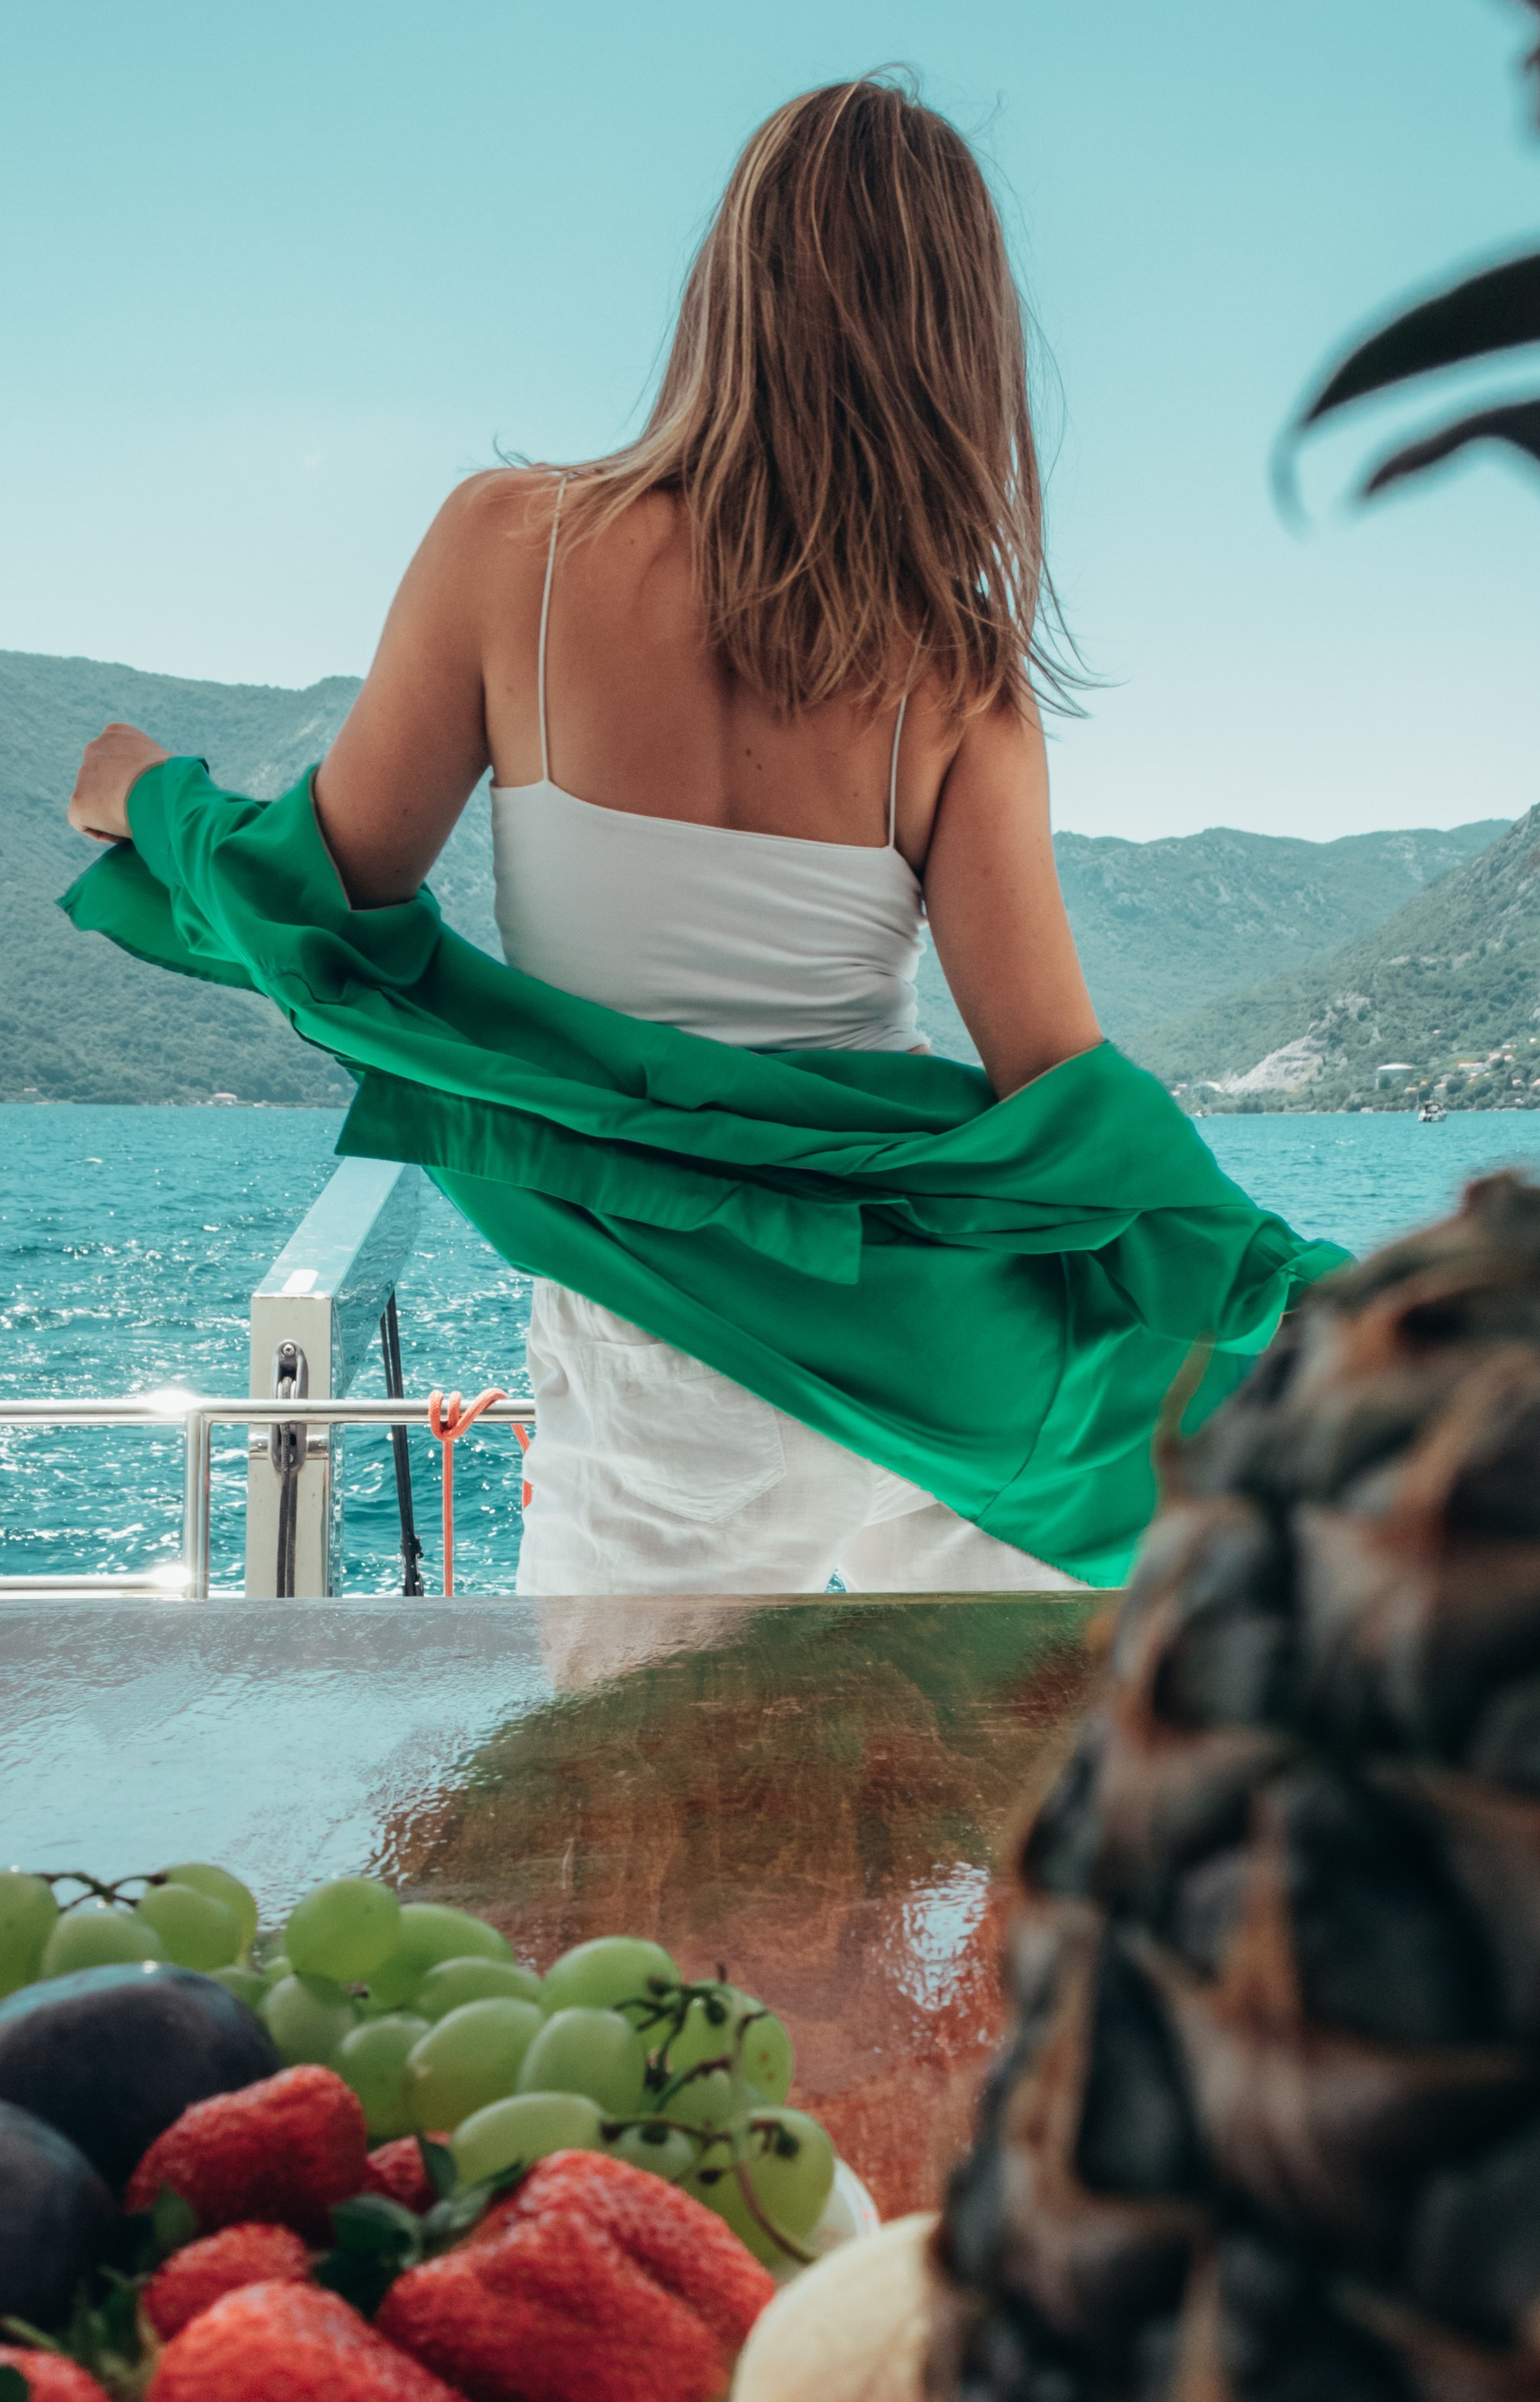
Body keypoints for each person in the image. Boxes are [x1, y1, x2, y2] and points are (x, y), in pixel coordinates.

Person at [74, 78, 1119, 1594]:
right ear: (961, 348)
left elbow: (314, 907)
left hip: (667, 1363)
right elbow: (1063, 1099)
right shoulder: (958, 678)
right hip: (930, 1334)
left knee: (639, 1758)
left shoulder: (514, 551)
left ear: (730, 286)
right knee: (997, 1749)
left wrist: (147, 796)